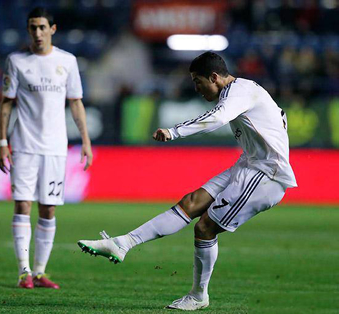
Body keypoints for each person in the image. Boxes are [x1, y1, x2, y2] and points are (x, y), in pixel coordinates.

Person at [78, 52, 296, 310]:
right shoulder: (241, 90)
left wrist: (174, 131)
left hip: (266, 175)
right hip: (249, 163)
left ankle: (198, 296)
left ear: (214, 77)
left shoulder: (239, 92)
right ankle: (121, 244)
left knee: (204, 229)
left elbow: (217, 118)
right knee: (190, 203)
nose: (196, 88)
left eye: (198, 81)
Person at [0, 7, 93, 290]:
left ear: (53, 29)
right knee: (23, 204)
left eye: (42, 27)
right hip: (24, 144)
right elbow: (7, 102)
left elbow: (76, 101)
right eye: (32, 27)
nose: (37, 33)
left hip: (55, 147)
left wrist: (86, 140)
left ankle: (39, 272)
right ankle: (23, 272)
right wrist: (3, 142)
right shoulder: (16, 61)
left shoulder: (67, 61)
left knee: (49, 208)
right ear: (28, 30)